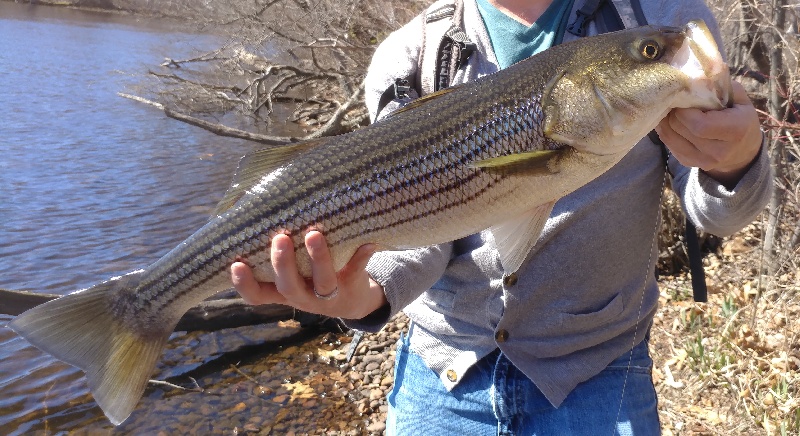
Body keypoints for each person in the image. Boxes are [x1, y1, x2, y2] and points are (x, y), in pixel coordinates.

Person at [230, 0, 773, 433]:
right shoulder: (410, 53)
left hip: (597, 371)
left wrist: (739, 160)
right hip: (443, 373)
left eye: (653, 52)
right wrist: (360, 295)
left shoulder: (660, 21)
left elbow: (715, 213)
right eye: (653, 52)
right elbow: (424, 232)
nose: (665, 53)